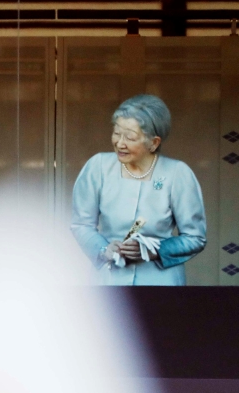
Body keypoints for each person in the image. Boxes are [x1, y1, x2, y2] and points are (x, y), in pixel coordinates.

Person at [70, 94, 206, 285]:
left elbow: (195, 237)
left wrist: (155, 251)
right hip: (110, 280)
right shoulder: (98, 166)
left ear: (154, 143)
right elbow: (81, 224)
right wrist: (104, 249)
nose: (120, 143)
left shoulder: (177, 173)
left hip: (161, 283)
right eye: (117, 133)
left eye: (130, 137)